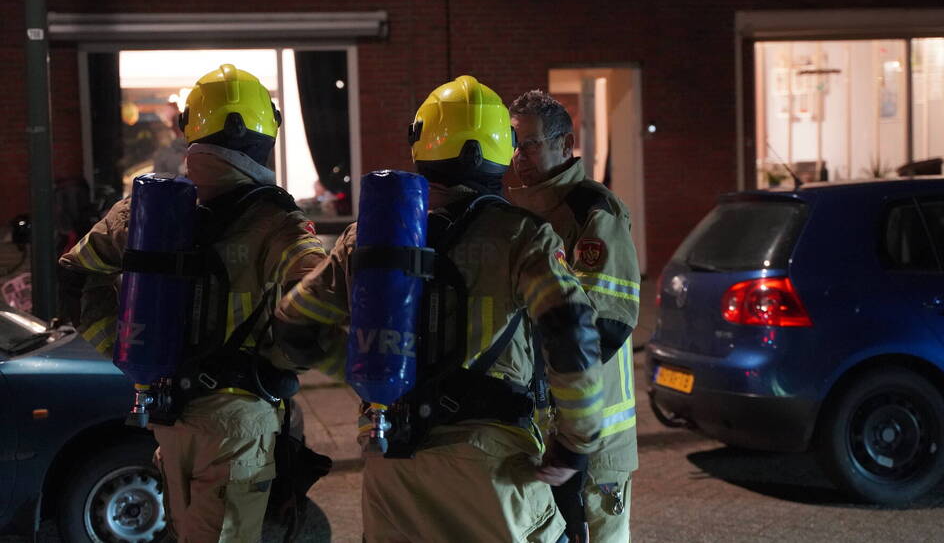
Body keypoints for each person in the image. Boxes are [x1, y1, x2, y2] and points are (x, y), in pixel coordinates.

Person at [274, 75, 606, 542]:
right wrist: (576, 444)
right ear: (502, 147)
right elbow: (570, 332)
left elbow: (293, 325)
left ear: (421, 142)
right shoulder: (523, 236)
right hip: (491, 467)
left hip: (393, 458)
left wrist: (371, 372)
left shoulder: (365, 237)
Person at [59, 64, 327, 541]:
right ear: (267, 130)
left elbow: (75, 279)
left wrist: (129, 351)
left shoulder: (140, 213)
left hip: (167, 412)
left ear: (190, 130)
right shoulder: (279, 221)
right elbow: (316, 308)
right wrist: (277, 365)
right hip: (238, 425)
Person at [508, 89, 641, 543]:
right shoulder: (517, 214)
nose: (518, 156)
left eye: (529, 143)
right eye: (512, 143)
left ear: (565, 145)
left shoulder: (592, 212)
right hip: (545, 422)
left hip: (599, 426)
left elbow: (607, 324)